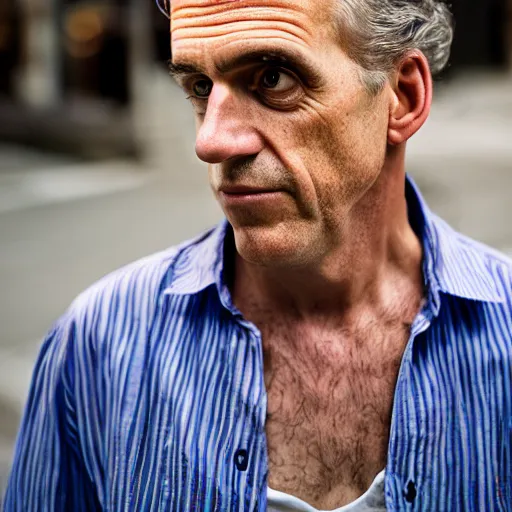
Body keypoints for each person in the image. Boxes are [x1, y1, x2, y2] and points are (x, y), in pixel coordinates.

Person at [4, 0, 512, 510]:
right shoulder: (98, 345)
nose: (210, 141)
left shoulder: (504, 335)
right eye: (200, 87)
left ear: (402, 97)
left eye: (273, 79)